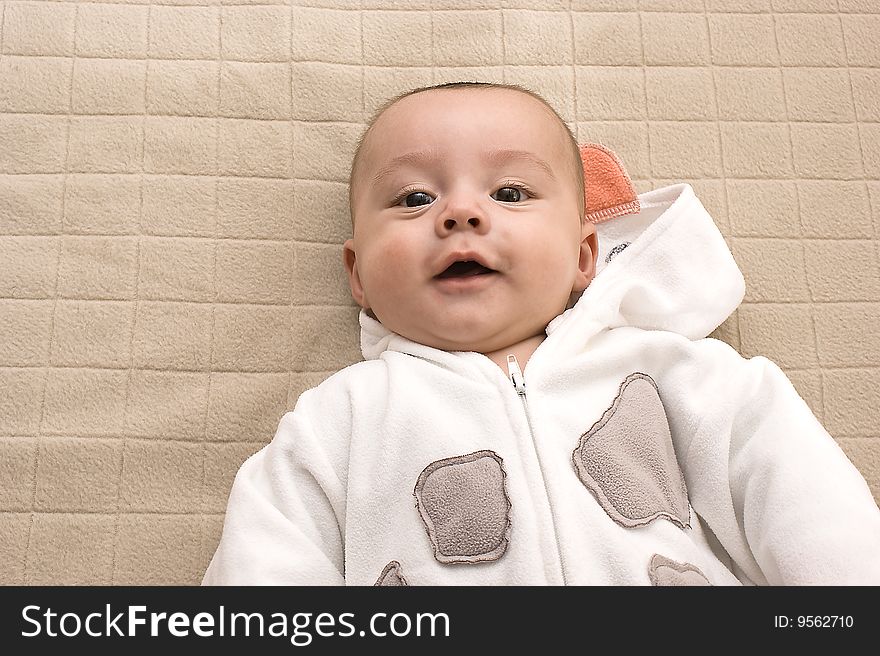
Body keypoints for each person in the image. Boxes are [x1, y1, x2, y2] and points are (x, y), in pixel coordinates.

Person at [202, 82, 880, 585]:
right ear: (358, 274)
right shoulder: (336, 423)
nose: (461, 212)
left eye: (511, 193)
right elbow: (266, 569)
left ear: (584, 257)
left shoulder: (682, 375)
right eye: (414, 198)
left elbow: (807, 507)